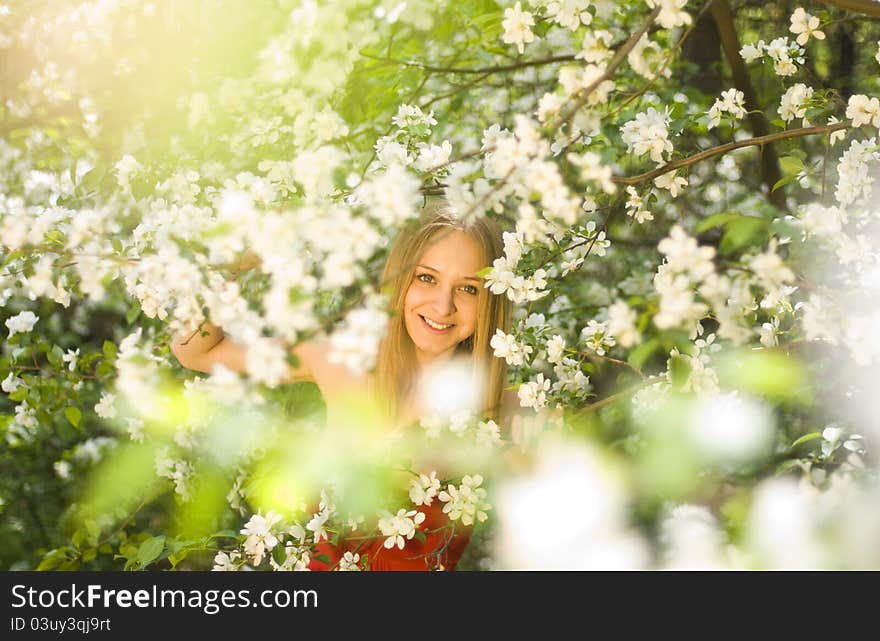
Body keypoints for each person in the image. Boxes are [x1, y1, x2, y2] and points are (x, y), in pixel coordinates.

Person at [170, 199, 516, 570]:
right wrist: (232, 267)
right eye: (426, 278)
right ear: (400, 278)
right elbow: (196, 352)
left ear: (492, 299)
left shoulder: (500, 409)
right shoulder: (341, 360)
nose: (443, 305)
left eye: (468, 289)